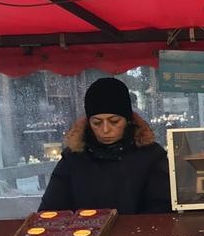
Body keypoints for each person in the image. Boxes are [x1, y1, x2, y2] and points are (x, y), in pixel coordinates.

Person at [40, 77, 172, 214]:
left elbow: (162, 209)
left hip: (139, 227)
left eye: (114, 121)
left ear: (128, 120)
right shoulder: (73, 158)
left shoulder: (151, 156)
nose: (105, 129)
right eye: (97, 123)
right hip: (85, 228)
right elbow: (49, 211)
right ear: (88, 123)